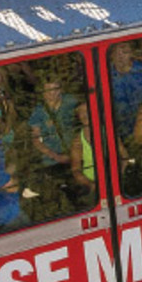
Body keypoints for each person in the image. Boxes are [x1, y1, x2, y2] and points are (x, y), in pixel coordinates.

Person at [28, 75, 97, 207]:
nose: (51, 94)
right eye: (47, 90)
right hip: (52, 161)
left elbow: (85, 114)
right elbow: (35, 140)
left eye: (55, 89)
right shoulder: (38, 111)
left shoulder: (70, 101)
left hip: (76, 154)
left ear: (61, 89)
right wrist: (56, 157)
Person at [108, 44, 142, 133]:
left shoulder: (141, 70)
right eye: (116, 53)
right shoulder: (107, 73)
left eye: (124, 52)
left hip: (140, 120)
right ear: (111, 56)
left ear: (131, 54)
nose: (120, 56)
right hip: (117, 123)